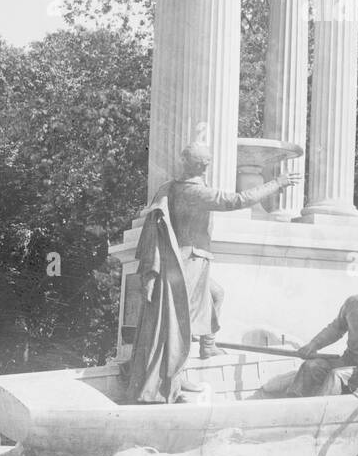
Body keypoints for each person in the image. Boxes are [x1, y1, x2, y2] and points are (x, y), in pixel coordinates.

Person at [127, 142, 300, 403]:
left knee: (215, 296)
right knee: (178, 321)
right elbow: (237, 200)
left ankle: (207, 347)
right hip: (189, 260)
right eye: (205, 163)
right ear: (199, 165)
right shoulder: (194, 192)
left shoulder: (172, 187)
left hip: (187, 259)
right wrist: (277, 183)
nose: (207, 166)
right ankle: (175, 376)